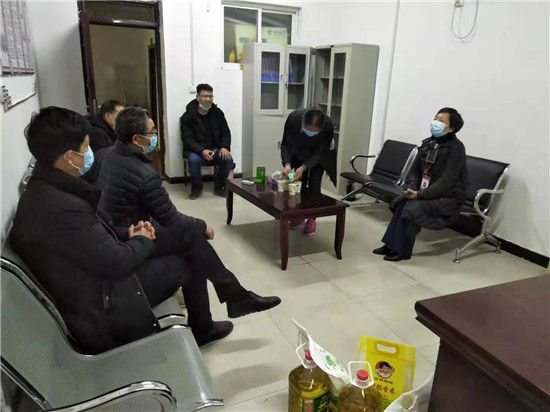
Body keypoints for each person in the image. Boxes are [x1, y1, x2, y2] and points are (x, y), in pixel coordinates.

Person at [11, 107, 280, 355]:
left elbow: (92, 240)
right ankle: (217, 314)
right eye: (86, 147)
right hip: (105, 304)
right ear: (70, 157)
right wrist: (142, 239)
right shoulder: (63, 208)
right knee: (191, 257)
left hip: (98, 277)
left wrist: (128, 233)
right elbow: (117, 260)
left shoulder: (45, 191)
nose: (91, 151)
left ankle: (229, 302)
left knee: (190, 240)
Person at [94, 106, 281, 335]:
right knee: (193, 239)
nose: (156, 136)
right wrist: (203, 226)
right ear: (136, 139)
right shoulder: (143, 174)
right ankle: (226, 306)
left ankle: (230, 301)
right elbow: (172, 220)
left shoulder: (106, 155)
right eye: (152, 132)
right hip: (129, 240)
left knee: (193, 243)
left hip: (116, 232)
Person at [373, 107, 468, 262]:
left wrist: (420, 194)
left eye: (441, 120)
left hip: (447, 197)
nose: (436, 122)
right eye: (435, 118)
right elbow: (415, 171)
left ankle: (401, 249)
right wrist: (412, 188)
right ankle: (390, 244)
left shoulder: (456, 149)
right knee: (402, 203)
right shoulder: (428, 143)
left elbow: (447, 181)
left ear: (451, 128)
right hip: (425, 192)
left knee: (413, 208)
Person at [280, 108, 337, 236]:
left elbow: (320, 152)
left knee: (314, 186)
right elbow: (286, 144)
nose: (310, 133)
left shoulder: (327, 125)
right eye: (307, 130)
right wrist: (287, 165)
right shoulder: (293, 119)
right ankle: (299, 215)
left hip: (318, 154)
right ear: (302, 123)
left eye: (314, 132)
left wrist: (304, 167)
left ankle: (312, 218)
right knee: (298, 184)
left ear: (321, 129)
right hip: (298, 150)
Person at [180, 84, 233, 199]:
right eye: (204, 96)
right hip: (196, 151)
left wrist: (225, 147)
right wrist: (201, 151)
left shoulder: (217, 113)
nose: (208, 99)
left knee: (227, 158)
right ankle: (196, 189)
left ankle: (219, 186)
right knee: (193, 160)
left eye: (210, 96)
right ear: (197, 97)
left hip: (214, 149)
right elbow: (187, 139)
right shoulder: (187, 116)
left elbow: (226, 132)